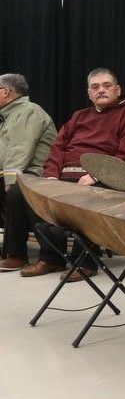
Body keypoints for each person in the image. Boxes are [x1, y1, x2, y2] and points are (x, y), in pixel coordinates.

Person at [19, 68, 125, 282]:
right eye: (95, 87)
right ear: (89, 93)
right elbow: (58, 147)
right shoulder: (79, 116)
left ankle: (85, 262)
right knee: (24, 192)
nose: (101, 90)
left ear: (118, 90)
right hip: (63, 178)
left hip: (104, 181)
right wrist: (51, 177)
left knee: (87, 196)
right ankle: (52, 258)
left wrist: (97, 176)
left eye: (107, 85)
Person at [0, 74, 57, 270]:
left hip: (34, 173)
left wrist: (10, 181)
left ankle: (16, 253)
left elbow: (20, 149)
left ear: (6, 92)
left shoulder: (29, 111)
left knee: (15, 192)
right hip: (14, 171)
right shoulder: (8, 116)